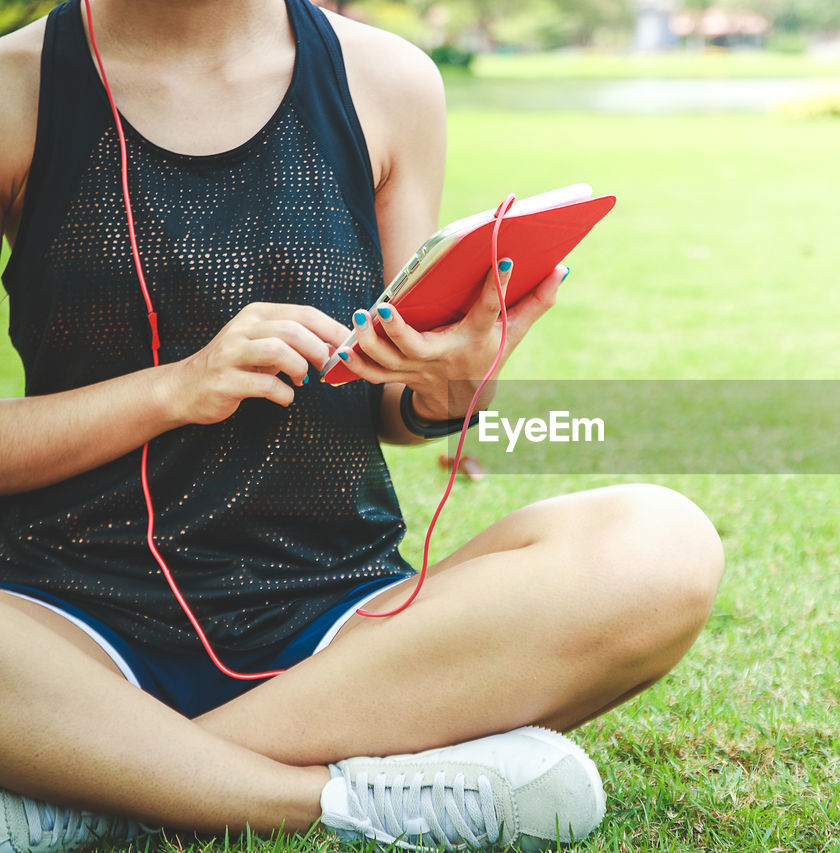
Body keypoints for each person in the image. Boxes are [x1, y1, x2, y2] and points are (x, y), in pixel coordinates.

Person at [0, 0, 725, 850]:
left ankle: (98, 783)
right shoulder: (17, 87)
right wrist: (178, 387)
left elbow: (397, 407)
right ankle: (332, 802)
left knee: (660, 543)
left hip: (343, 629)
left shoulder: (387, 80)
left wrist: (454, 377)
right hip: (63, 622)